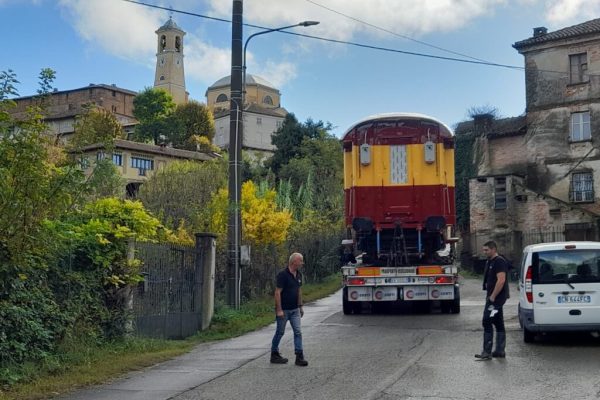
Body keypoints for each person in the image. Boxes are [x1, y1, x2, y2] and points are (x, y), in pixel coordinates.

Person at [270, 252, 309, 366]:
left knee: (298, 332)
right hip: (284, 310)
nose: (302, 263)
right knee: (280, 332)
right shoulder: (283, 275)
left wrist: (300, 306)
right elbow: (277, 293)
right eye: (300, 260)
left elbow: (298, 290)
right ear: (293, 262)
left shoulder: (298, 275)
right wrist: (279, 310)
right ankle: (274, 353)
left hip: (295, 310)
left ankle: (299, 356)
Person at [475, 241, 510, 360]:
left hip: (496, 299)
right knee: (498, 322)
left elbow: (501, 280)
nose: (484, 252)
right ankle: (500, 351)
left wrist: (493, 296)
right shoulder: (490, 261)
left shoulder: (499, 261)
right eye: (484, 250)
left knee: (487, 321)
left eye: (486, 250)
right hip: (493, 297)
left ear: (494, 249)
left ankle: (487, 352)